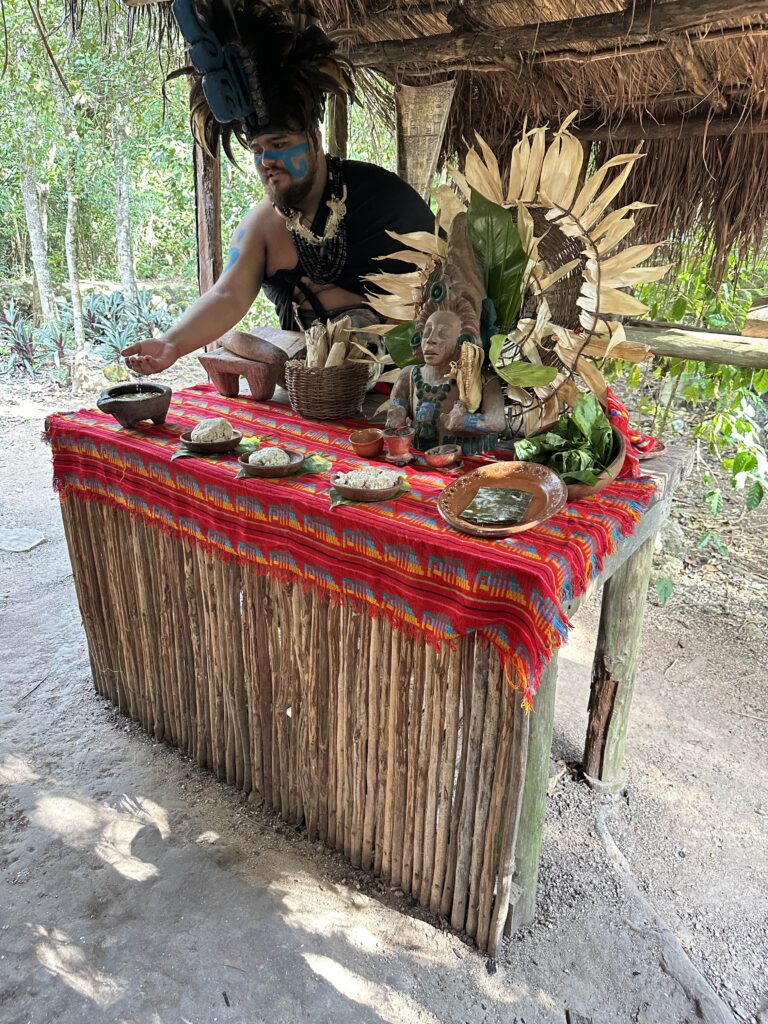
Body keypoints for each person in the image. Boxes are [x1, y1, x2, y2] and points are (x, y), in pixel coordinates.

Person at [122, 0, 434, 377]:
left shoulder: (384, 199)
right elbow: (227, 294)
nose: (267, 160)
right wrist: (173, 343)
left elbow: (438, 295)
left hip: (396, 390)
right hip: (306, 394)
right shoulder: (264, 226)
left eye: (281, 144)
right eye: (257, 149)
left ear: (315, 140)